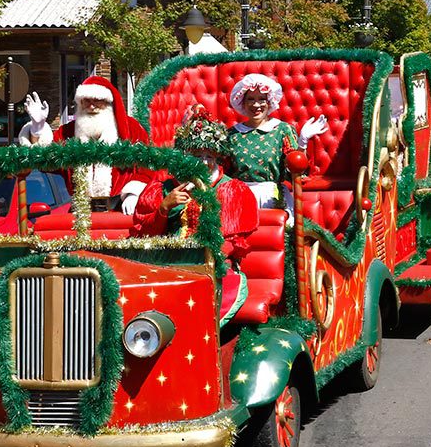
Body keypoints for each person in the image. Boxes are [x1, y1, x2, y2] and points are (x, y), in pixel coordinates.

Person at [133, 104, 258, 325]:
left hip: (214, 267)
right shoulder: (162, 189)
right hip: (166, 263)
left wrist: (204, 258)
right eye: (196, 154)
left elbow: (235, 243)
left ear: (217, 157)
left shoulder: (231, 189)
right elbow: (142, 235)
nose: (203, 161)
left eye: (209, 155)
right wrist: (164, 208)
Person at [226, 73, 329, 218]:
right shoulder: (232, 134)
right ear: (243, 102)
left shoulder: (282, 130)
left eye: (261, 99)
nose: (256, 105)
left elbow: (296, 171)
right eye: (250, 99)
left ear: (269, 102)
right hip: (239, 198)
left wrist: (302, 143)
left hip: (273, 198)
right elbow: (221, 172)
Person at [53, 76, 151, 214]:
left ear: (108, 102)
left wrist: (133, 193)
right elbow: (47, 160)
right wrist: (37, 130)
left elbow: (148, 166)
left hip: (120, 209)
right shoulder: (68, 132)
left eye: (97, 101)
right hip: (80, 211)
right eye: (87, 100)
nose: (92, 106)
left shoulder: (132, 129)